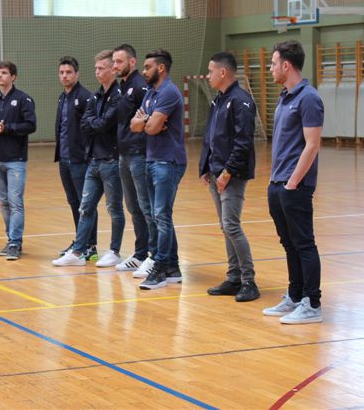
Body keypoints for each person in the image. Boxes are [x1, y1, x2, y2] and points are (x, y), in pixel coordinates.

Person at [263, 40, 324, 324]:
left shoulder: (308, 98)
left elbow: (312, 145)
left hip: (294, 185)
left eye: (274, 63)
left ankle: (312, 303)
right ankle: (295, 295)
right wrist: (277, 182)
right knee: (289, 243)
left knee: (303, 244)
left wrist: (292, 183)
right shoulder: (285, 96)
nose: (271, 68)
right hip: (278, 182)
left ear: (286, 65)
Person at [52, 49, 125, 268]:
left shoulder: (113, 95)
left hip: (106, 159)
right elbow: (88, 123)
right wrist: (95, 123)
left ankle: (110, 250)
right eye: (96, 68)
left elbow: (103, 124)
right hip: (91, 159)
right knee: (84, 206)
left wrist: (95, 124)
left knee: (114, 208)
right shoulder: (95, 96)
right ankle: (79, 250)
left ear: (113, 69)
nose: (97, 72)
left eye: (101, 68)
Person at [199, 51, 260, 302]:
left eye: (211, 71)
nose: (208, 75)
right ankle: (234, 278)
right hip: (216, 172)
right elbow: (211, 136)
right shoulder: (218, 100)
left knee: (231, 225)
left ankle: (249, 281)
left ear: (223, 72)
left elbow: (243, 143)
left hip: (231, 175)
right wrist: (205, 166)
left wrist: (227, 172)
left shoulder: (241, 101)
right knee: (226, 227)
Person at [130, 49, 186, 290]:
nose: (143, 72)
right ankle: (172, 268)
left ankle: (160, 267)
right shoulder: (151, 93)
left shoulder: (169, 92)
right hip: (152, 159)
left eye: (147, 67)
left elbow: (151, 128)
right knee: (157, 215)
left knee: (161, 215)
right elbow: (134, 125)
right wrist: (148, 120)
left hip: (168, 161)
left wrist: (148, 121)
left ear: (160, 68)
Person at [0, 61, 36, 261]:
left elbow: (31, 125)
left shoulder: (23, 99)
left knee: (15, 202)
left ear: (13, 77)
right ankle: (10, 239)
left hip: (15, 160)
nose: (0, 76)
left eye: (4, 73)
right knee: (4, 202)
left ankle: (15, 242)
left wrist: (7, 128)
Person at [112, 44, 155, 273]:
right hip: (124, 154)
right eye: (114, 62)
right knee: (133, 207)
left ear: (132, 62)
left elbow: (148, 118)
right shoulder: (122, 86)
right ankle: (140, 253)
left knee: (146, 207)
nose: (115, 66)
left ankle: (155, 257)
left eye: (119, 61)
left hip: (139, 154)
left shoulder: (140, 86)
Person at [53, 56, 98, 261]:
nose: (64, 76)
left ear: (77, 74)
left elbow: (90, 129)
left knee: (85, 203)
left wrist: (87, 154)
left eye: (68, 72)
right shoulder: (62, 97)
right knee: (73, 201)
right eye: (61, 72)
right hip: (64, 159)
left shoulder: (85, 97)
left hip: (80, 160)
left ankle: (90, 245)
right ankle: (80, 240)